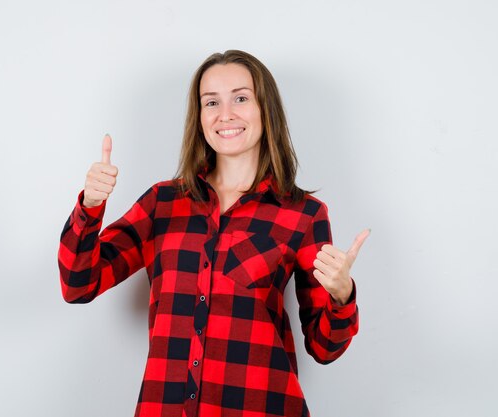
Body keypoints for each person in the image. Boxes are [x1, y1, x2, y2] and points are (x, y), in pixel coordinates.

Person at [58, 50, 369, 417]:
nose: (226, 114)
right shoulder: (162, 203)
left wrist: (341, 295)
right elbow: (78, 284)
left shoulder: (303, 216)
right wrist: (90, 207)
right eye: (211, 102)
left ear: (265, 109)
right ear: (200, 116)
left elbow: (324, 348)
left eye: (240, 97)